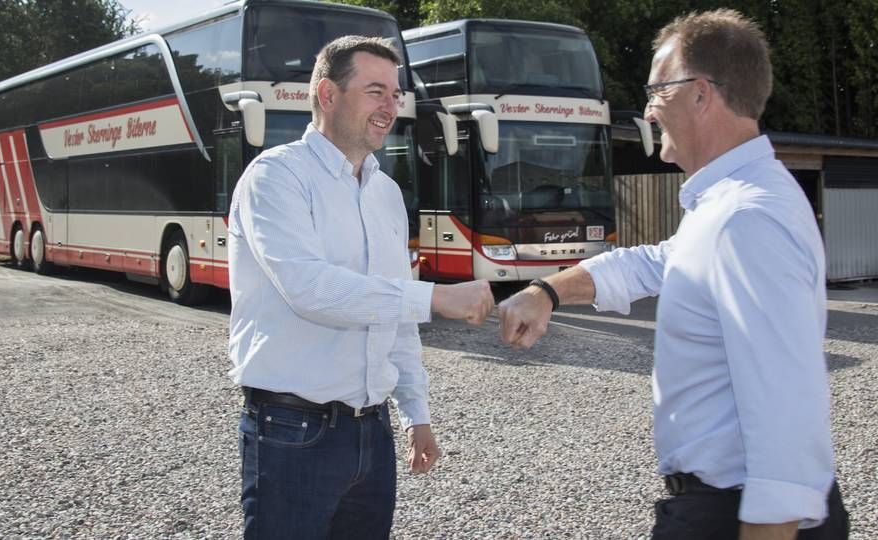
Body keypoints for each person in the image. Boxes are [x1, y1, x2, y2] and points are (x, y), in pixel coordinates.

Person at [498, 9, 848, 540]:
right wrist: (547, 290)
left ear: (702, 94)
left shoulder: (745, 218)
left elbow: (785, 417)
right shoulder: (729, 206)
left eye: (658, 90)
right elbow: (656, 262)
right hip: (726, 507)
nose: (648, 110)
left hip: (741, 516)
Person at [227, 35, 494, 539]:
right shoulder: (275, 178)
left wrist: (417, 412)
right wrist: (437, 297)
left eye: (395, 94)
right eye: (376, 91)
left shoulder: (386, 192)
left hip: (372, 432)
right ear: (327, 95)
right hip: (291, 431)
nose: (391, 106)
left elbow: (391, 307)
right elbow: (309, 288)